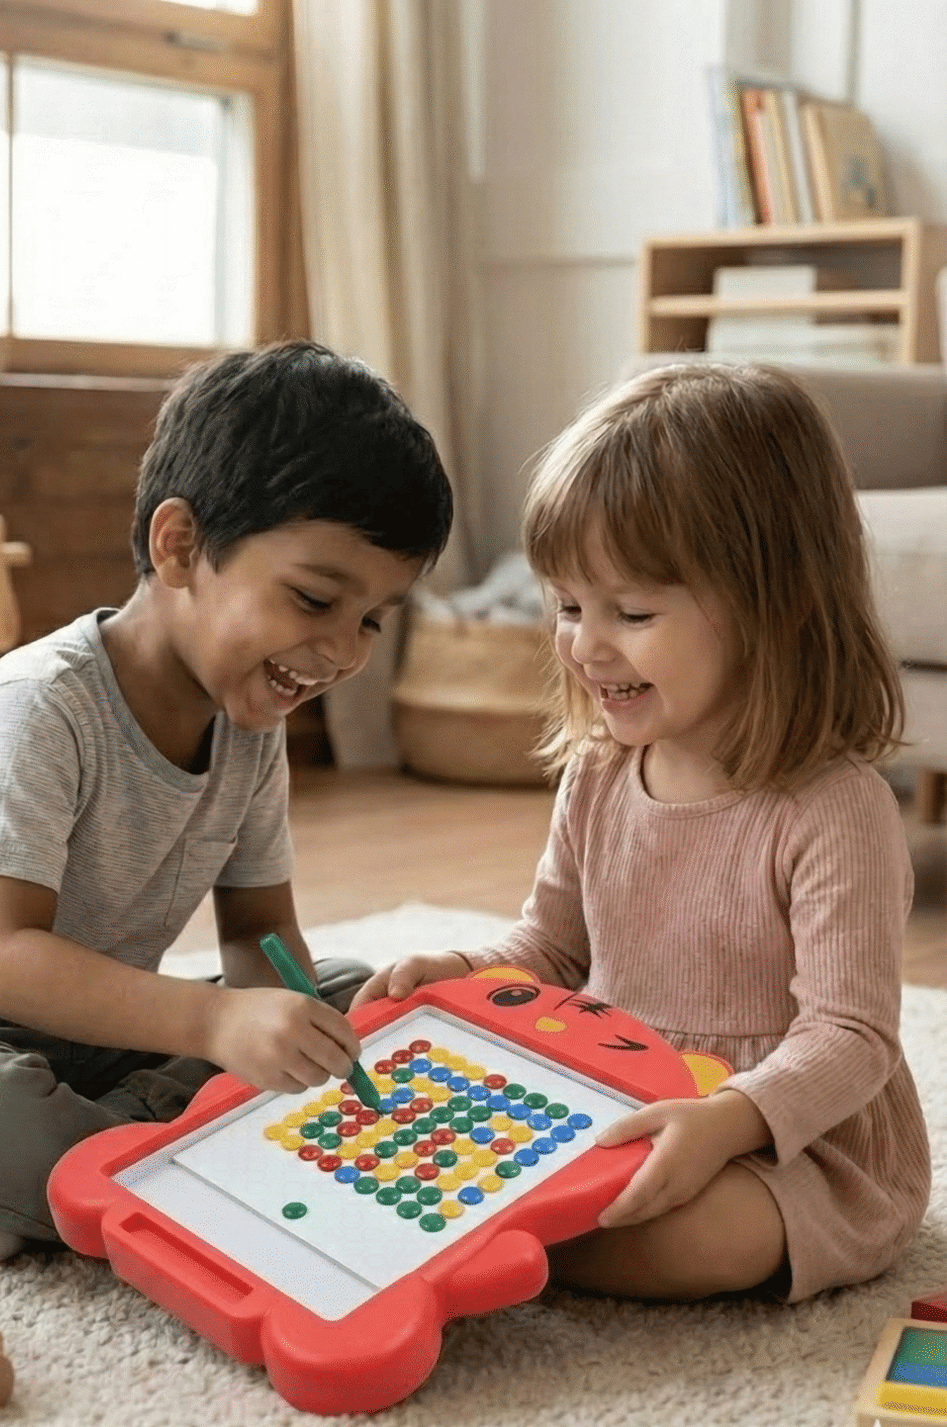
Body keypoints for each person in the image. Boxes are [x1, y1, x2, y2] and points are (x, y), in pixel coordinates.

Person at [0, 340, 453, 1267]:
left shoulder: (250, 721)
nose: (341, 651)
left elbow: (260, 935)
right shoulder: (39, 706)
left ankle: (98, 1165)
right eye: (314, 598)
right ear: (179, 546)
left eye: (370, 618)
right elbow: (2, 962)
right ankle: (125, 1154)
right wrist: (216, 1027)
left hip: (104, 1037)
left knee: (346, 992)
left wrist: (290, 1017)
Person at [353, 361, 930, 1306]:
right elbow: (550, 947)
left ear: (775, 602)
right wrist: (463, 967)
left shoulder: (834, 808)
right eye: (570, 606)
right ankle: (512, 1228)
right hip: (617, 1092)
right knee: (471, 1132)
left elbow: (851, 1035)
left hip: (790, 1141)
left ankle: (494, 1243)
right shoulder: (599, 773)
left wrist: (728, 1118)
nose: (584, 644)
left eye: (631, 611)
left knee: (698, 1236)